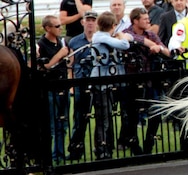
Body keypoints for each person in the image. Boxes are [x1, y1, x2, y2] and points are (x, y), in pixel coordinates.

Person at [126, 7, 171, 154]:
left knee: (156, 112)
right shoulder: (127, 33)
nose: (148, 21)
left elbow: (166, 51)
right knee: (132, 116)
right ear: (135, 21)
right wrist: (148, 43)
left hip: (151, 80)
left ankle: (149, 142)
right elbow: (129, 39)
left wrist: (157, 47)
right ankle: (134, 145)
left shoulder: (151, 34)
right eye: (144, 19)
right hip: (133, 82)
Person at [90, 12, 132, 159]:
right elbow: (125, 45)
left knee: (106, 116)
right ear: (113, 25)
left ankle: (105, 146)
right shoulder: (101, 37)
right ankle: (101, 149)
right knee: (103, 118)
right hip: (101, 81)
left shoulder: (103, 37)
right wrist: (123, 36)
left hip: (107, 81)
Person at [36, 15, 70, 163]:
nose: (60, 28)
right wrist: (60, 55)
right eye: (57, 26)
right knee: (51, 124)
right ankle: (48, 157)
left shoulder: (61, 41)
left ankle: (60, 154)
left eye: (60, 25)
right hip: (50, 88)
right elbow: (45, 66)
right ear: (48, 28)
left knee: (62, 122)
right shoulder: (41, 45)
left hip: (63, 85)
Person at [67, 11, 99, 161]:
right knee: (79, 119)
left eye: (93, 20)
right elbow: (70, 64)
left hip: (98, 82)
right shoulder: (74, 41)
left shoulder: (101, 39)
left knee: (102, 117)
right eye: (88, 20)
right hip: (81, 82)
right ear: (83, 22)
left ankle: (102, 148)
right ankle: (76, 150)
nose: (90, 23)